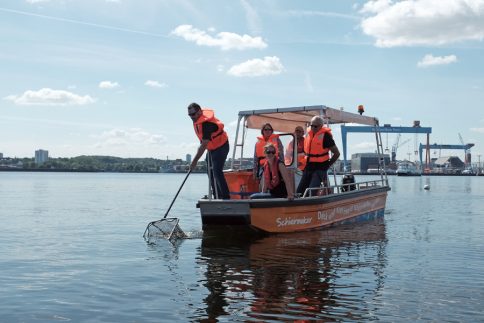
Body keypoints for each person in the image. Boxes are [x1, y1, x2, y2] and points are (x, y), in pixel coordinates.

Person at [188, 102, 230, 199]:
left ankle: (225, 197)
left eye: (193, 114)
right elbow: (203, 142)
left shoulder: (207, 124)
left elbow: (203, 145)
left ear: (199, 111)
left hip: (221, 146)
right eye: (189, 115)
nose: (191, 117)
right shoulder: (197, 120)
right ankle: (216, 195)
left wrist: (194, 162)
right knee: (209, 171)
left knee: (216, 171)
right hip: (211, 148)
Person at [297, 116, 340, 196]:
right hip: (309, 166)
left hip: (320, 168)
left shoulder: (326, 137)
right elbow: (307, 153)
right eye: (311, 125)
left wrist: (328, 164)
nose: (313, 128)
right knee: (299, 192)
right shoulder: (308, 134)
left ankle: (310, 205)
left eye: (315, 126)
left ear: (321, 126)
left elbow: (337, 153)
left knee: (310, 192)